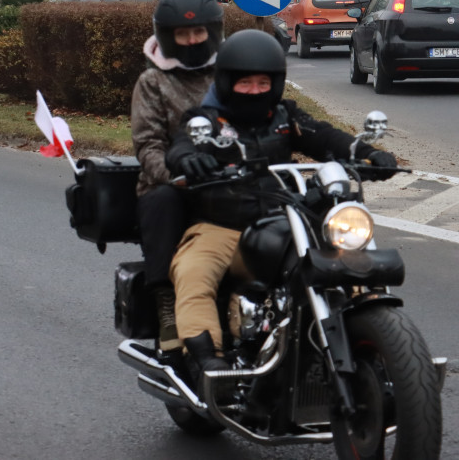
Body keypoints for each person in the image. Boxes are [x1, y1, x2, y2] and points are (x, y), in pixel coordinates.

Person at [164, 29, 398, 383]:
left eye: (263, 82)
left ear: (276, 83)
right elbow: (180, 146)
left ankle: (374, 342)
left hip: (283, 218)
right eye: (245, 83)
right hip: (221, 225)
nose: (255, 90)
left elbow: (325, 136)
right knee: (193, 273)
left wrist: (367, 154)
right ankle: (207, 362)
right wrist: (189, 160)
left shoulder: (285, 116)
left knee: (345, 258)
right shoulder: (207, 121)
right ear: (227, 82)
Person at [130, 0, 224, 360]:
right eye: (181, 34)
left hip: (230, 179)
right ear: (166, 37)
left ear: (212, 32)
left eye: (197, 32)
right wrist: (177, 174)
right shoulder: (152, 82)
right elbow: (148, 145)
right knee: (163, 201)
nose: (190, 41)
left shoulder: (232, 74)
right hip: (172, 182)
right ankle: (167, 304)